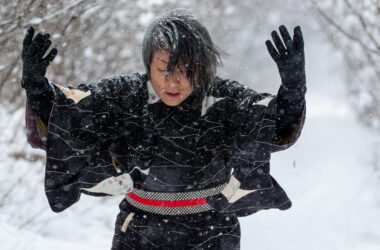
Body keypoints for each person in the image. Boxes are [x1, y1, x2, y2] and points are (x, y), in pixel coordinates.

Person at [21, 9, 306, 250]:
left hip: (213, 233)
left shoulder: (223, 98)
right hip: (139, 232)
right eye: (164, 70)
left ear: (203, 66)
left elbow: (271, 124)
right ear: (148, 65)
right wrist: (37, 90)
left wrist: (293, 90)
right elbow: (70, 115)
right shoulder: (125, 95)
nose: (174, 81)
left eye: (187, 70)